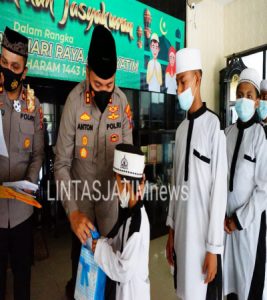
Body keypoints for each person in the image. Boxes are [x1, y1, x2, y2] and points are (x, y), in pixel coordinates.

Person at [54, 25, 133, 299]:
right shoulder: (74, 103)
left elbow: (129, 162)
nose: (104, 91)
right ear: (87, 72)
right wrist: (73, 212)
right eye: (98, 85)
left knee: (110, 287)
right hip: (83, 219)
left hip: (111, 215)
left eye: (109, 85)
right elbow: (61, 164)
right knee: (82, 285)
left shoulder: (121, 103)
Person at [165, 48, 227, 300]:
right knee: (183, 293)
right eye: (177, 83)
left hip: (203, 241)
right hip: (181, 236)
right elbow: (175, 185)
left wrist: (214, 249)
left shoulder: (214, 128)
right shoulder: (180, 131)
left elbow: (219, 193)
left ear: (198, 78)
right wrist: (170, 231)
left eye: (183, 81)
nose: (179, 89)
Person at [0, 27, 44, 300]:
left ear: (24, 72)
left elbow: (38, 154)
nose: (7, 71)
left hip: (21, 215)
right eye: (3, 63)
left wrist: (29, 182)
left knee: (22, 281)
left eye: (14, 66)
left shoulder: (34, 107)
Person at [223, 68, 267, 300]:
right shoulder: (226, 134)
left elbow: (264, 190)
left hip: (249, 226)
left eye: (249, 96)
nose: (243, 100)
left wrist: (239, 220)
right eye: (239, 94)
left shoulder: (261, 137)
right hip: (224, 225)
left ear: (257, 101)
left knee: (248, 284)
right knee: (228, 283)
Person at [90, 143, 150, 300]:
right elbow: (117, 241)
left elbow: (123, 271)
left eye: (116, 182)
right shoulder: (128, 213)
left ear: (126, 184)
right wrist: (101, 243)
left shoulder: (137, 224)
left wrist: (100, 250)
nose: (116, 189)